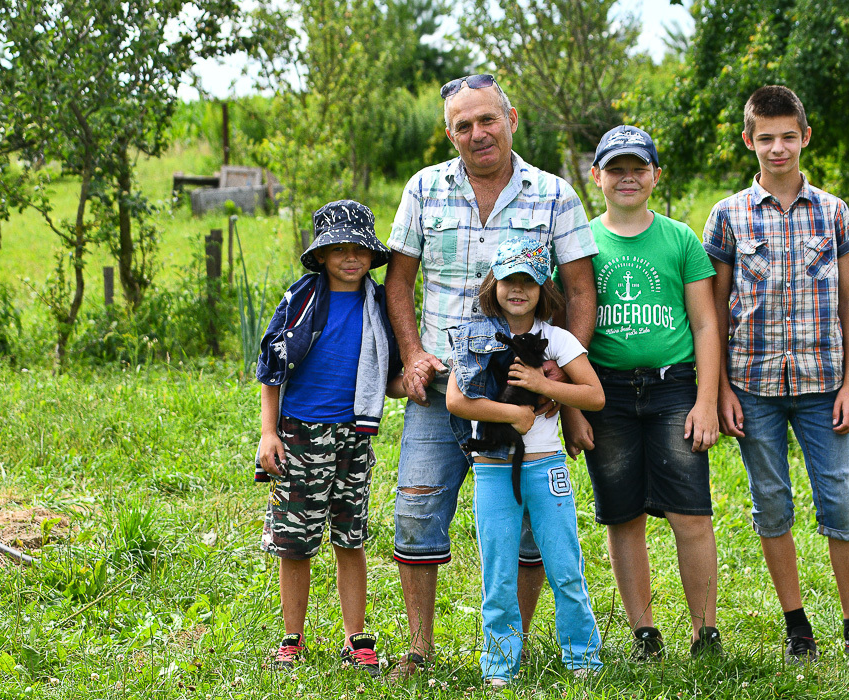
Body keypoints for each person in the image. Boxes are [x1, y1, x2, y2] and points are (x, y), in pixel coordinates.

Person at [384, 74, 598, 676]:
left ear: (510, 118)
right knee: (418, 507)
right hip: (441, 386)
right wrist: (412, 352)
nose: (477, 134)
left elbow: (581, 290)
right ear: (449, 133)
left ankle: (515, 642)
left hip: (522, 387)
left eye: (487, 120)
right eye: (462, 125)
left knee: (528, 517)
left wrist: (560, 368)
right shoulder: (424, 189)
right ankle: (419, 649)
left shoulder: (554, 194)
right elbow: (399, 282)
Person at [702, 85, 849, 676]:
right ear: (748, 141)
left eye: (788, 136)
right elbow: (714, 308)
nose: (777, 148)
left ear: (804, 137)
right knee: (772, 505)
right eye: (765, 138)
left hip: (822, 386)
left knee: (839, 502)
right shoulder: (728, 215)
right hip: (753, 387)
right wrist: (723, 389)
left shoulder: (832, 211)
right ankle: (797, 625)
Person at [569, 125, 724, 660]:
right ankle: (644, 631)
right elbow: (567, 332)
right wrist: (572, 407)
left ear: (656, 175)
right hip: (605, 394)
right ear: (597, 177)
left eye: (638, 168)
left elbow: (706, 324)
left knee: (690, 513)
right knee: (621, 512)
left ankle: (704, 630)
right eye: (616, 169)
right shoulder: (582, 241)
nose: (627, 178)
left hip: (674, 389)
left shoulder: (679, 238)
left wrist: (706, 400)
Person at [254, 200, 406, 676]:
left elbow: (393, 372)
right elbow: (271, 367)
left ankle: (355, 636)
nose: (350, 258)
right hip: (299, 434)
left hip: (353, 434)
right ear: (320, 255)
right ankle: (291, 638)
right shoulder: (299, 300)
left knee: (350, 536)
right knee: (295, 542)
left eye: (358, 248)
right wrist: (268, 432)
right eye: (337, 249)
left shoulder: (378, 304)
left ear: (371, 254)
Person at [445, 236, 605, 685]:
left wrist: (543, 384)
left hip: (547, 465)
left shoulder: (556, 339)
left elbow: (593, 395)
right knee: (498, 573)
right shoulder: (477, 335)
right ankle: (499, 665)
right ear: (493, 283)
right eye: (509, 280)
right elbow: (457, 401)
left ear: (543, 289)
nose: (518, 290)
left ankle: (583, 658)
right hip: (493, 470)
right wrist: (514, 412)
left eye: (528, 283)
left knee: (565, 567)